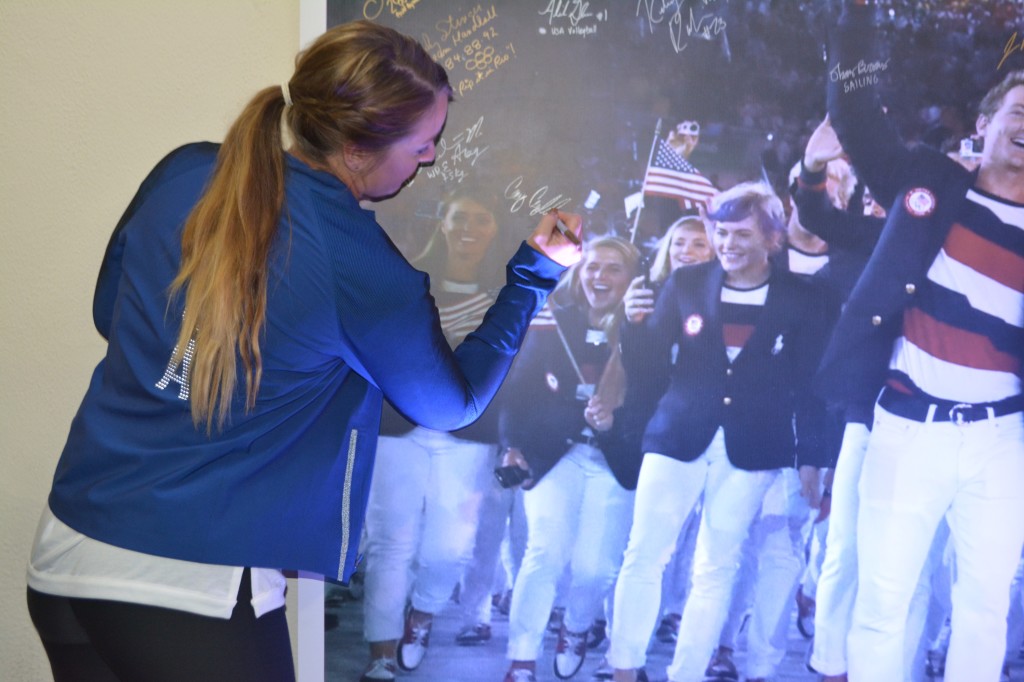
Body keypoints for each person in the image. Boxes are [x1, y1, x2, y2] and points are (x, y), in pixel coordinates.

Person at [25, 20, 581, 681]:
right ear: (356, 149)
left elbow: (108, 311)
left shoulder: (186, 170)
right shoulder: (356, 260)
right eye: (424, 144)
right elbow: (451, 404)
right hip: (186, 588)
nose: (429, 159)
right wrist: (532, 276)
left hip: (66, 553)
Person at [820, 4, 1024, 680]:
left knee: (984, 606)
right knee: (882, 602)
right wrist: (855, 21)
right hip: (907, 425)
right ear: (984, 124)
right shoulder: (928, 181)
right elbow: (854, 115)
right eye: (1018, 109)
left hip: (1003, 439)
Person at [606, 181, 831, 682]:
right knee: (644, 554)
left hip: (754, 449)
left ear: (772, 237)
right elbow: (647, 371)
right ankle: (624, 668)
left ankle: (684, 674)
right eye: (721, 232)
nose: (727, 243)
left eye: (742, 234)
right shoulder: (686, 284)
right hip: (676, 436)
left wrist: (812, 457)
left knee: (715, 568)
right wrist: (633, 325)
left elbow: (811, 386)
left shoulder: (801, 298)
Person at [358, 185, 514, 681]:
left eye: (481, 220)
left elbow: (517, 374)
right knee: (391, 543)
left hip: (469, 436)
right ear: (442, 223)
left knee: (449, 548)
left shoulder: (504, 296)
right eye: (460, 218)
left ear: (495, 231)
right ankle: (380, 653)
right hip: (398, 428)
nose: (469, 229)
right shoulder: (408, 281)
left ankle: (421, 616)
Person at [499, 237, 641, 682]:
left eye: (613, 269)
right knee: (544, 553)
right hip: (553, 456)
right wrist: (512, 443)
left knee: (596, 568)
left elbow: (656, 395)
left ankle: (577, 627)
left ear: (631, 277)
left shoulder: (645, 328)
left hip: (615, 458)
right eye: (592, 267)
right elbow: (516, 391)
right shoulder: (552, 319)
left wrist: (614, 418)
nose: (600, 277)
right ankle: (521, 658)